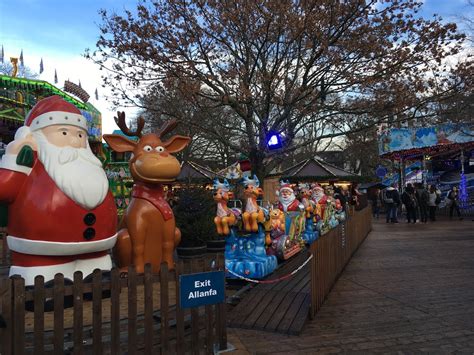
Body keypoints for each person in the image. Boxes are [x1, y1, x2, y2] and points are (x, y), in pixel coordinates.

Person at [0, 96, 117, 285]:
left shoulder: (92, 166)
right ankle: (45, 278)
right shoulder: (28, 162)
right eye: (63, 133)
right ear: (34, 136)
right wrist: (13, 159)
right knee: (46, 277)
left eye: (79, 135)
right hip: (41, 253)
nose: (73, 139)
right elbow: (4, 189)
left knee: (97, 273)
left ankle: (96, 271)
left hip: (97, 251)